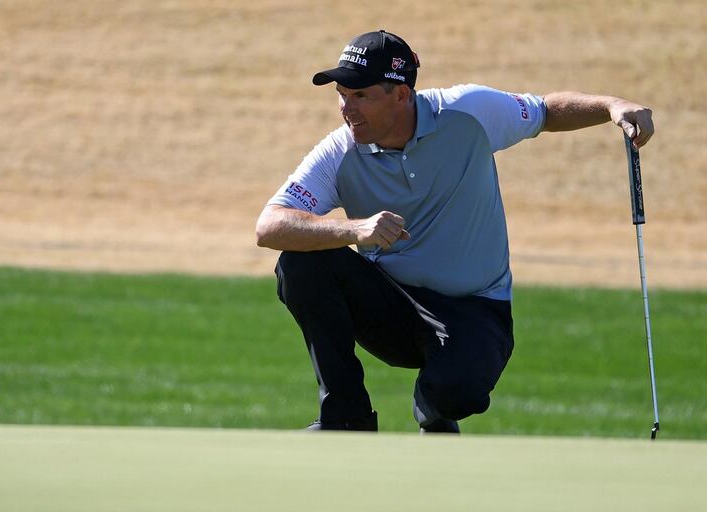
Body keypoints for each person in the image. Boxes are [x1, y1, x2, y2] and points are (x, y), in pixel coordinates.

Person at [255, 30, 654, 433]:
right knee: (299, 265)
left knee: (454, 393)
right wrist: (354, 229)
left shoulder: (467, 111)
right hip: (392, 307)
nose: (346, 108)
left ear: (400, 93)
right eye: (342, 94)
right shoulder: (340, 153)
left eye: (361, 95)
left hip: (475, 309)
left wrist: (611, 106)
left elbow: (545, 112)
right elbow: (270, 225)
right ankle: (346, 418)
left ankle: (437, 410)